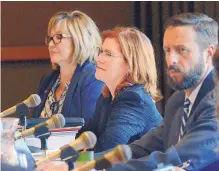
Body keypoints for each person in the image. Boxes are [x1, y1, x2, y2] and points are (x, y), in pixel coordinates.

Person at [105, 13, 219, 171]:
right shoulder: (178, 100)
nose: (171, 59)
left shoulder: (216, 102)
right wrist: (89, 164)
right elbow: (141, 149)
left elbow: (178, 158)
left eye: (182, 50)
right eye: (167, 50)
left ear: (209, 54)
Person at [76, 27, 163, 152]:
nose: (98, 58)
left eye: (109, 54)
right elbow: (85, 137)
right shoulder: (107, 96)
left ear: (131, 64)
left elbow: (107, 149)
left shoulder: (133, 99)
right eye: (100, 51)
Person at [32, 11, 104, 124]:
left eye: (58, 37)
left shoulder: (93, 78)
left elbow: (90, 129)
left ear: (79, 40)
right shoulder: (48, 80)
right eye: (50, 38)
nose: (51, 44)